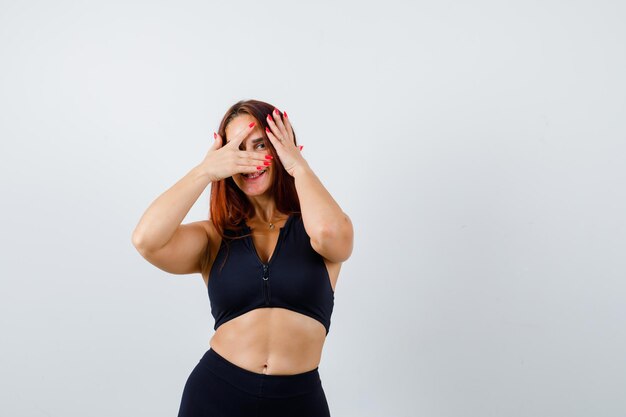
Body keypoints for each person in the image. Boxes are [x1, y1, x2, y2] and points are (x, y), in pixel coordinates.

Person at [131, 99, 354, 416]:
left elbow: (334, 235)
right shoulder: (214, 237)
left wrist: (298, 166)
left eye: (261, 144)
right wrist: (204, 171)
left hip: (298, 403)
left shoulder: (317, 229)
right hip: (216, 397)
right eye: (238, 149)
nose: (249, 159)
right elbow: (146, 240)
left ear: (282, 146)